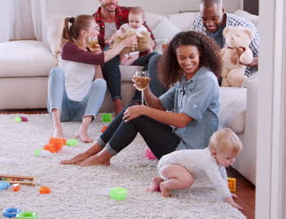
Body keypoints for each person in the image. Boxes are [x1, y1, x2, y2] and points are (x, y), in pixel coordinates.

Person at [61, 31, 222, 166]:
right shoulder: (185, 79)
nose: (187, 62)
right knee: (133, 107)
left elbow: (182, 120)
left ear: (200, 53)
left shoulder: (206, 80)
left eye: (191, 57)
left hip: (190, 153)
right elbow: (159, 106)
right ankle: (91, 152)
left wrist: (143, 110)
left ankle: (103, 158)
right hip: (178, 140)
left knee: (138, 115)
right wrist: (145, 89)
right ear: (176, 57)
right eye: (182, 58)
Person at [47, 15, 136, 143]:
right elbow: (100, 58)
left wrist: (96, 59)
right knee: (56, 71)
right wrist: (122, 44)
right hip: (63, 107)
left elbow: (98, 80)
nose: (98, 32)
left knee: (101, 82)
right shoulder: (68, 48)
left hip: (81, 110)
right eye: (95, 28)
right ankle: (57, 128)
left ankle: (83, 129)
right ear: (84, 33)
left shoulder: (91, 53)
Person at [93, 0, 158, 115]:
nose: (113, 1)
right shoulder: (94, 21)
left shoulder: (129, 14)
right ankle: (118, 103)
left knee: (156, 58)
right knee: (110, 54)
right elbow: (95, 50)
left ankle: (137, 102)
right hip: (112, 58)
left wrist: (138, 42)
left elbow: (150, 39)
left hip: (134, 56)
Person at [147, 128, 243, 210]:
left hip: (170, 167)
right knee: (188, 180)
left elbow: (223, 177)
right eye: (228, 158)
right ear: (214, 153)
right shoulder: (209, 161)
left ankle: (158, 180)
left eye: (234, 157)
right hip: (167, 164)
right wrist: (228, 199)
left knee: (184, 176)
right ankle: (164, 185)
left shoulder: (217, 159)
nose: (232, 161)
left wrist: (228, 193)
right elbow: (218, 181)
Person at [191, 0, 259, 77]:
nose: (209, 23)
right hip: (207, 76)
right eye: (204, 18)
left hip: (237, 78)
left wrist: (248, 60)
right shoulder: (197, 22)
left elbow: (265, 58)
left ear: (222, 10)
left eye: (214, 18)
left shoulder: (243, 27)